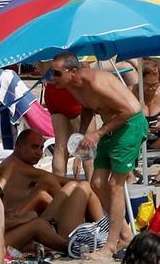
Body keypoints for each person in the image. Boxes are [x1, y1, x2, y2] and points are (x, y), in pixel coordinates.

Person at [47, 50, 146, 257]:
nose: (52, 78)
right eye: (51, 72)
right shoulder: (72, 86)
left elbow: (129, 110)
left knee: (115, 186)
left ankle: (110, 246)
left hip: (130, 125)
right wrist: (82, 136)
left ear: (73, 71)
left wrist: (98, 133)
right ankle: (126, 235)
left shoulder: (96, 82)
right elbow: (88, 108)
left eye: (56, 73)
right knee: (97, 184)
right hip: (111, 127)